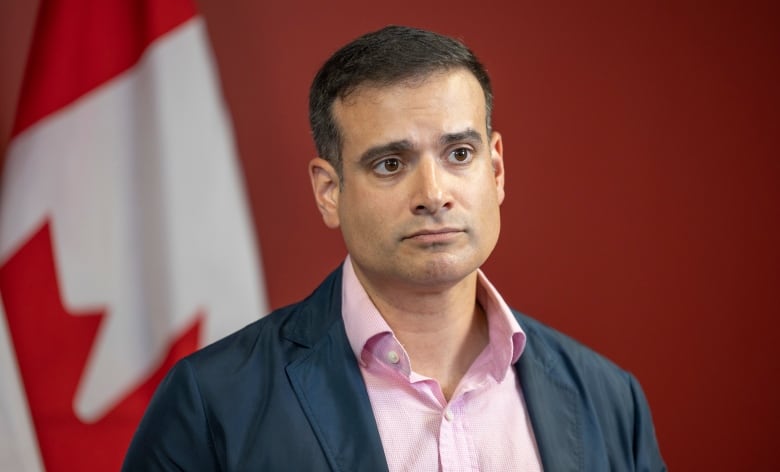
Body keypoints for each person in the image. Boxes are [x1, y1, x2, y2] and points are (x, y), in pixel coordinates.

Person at [122, 25, 666, 471]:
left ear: (495, 169)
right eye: (390, 164)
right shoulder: (212, 402)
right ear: (329, 191)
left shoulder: (611, 400)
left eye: (459, 154)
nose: (433, 195)